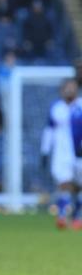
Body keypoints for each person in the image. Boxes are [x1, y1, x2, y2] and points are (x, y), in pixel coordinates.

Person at [40, 79, 82, 230]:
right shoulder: (56, 107)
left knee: (78, 186)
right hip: (61, 153)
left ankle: (77, 216)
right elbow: (49, 130)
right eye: (67, 88)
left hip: (79, 153)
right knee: (63, 183)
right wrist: (45, 151)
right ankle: (62, 215)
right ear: (62, 90)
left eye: (73, 88)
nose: (70, 91)